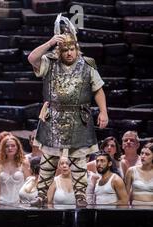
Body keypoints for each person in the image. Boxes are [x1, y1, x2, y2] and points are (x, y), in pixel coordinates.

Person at [28, 13, 109, 207]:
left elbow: (98, 90)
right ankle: (41, 196)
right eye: (65, 50)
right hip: (54, 117)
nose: (69, 53)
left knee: (78, 160)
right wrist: (50, 42)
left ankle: (80, 195)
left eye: (72, 49)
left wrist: (104, 112)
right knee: (49, 160)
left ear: (76, 48)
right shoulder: (50, 63)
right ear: (60, 51)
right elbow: (32, 58)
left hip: (78, 117)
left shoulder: (87, 65)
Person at [0, 136, 30, 204]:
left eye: (13, 146)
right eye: (7, 146)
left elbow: (28, 185)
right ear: (3, 148)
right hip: (2, 203)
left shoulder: (24, 164)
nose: (10, 148)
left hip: (20, 204)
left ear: (17, 147)